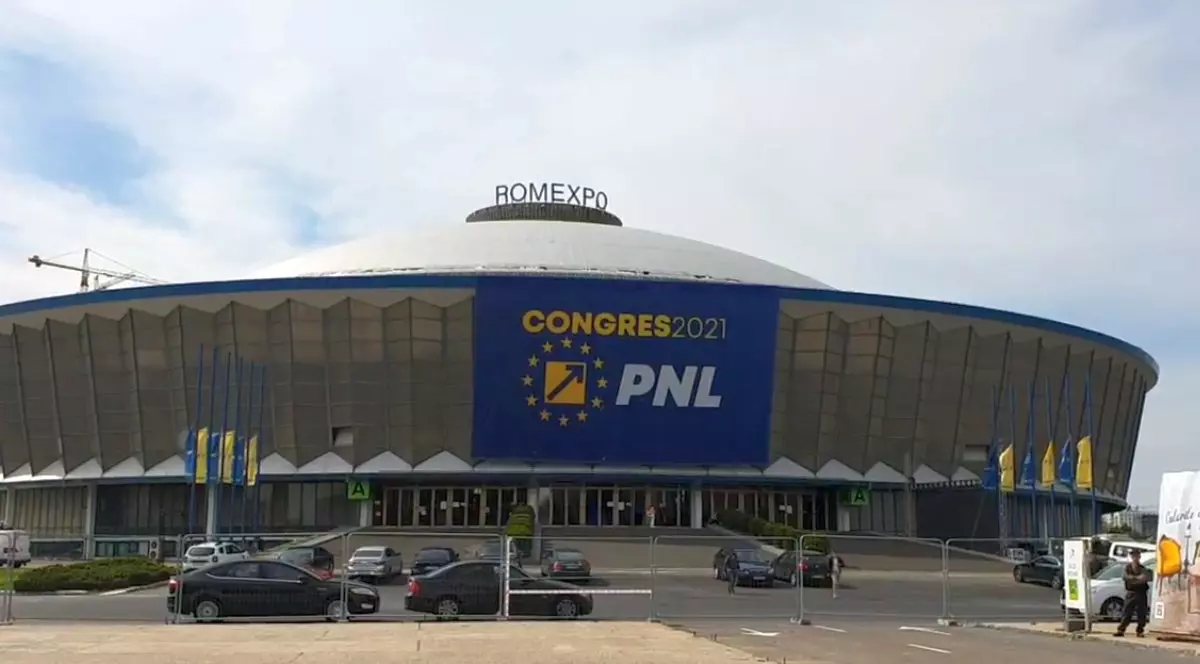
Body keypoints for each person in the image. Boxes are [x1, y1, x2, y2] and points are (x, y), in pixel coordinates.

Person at [1115, 549, 1150, 638]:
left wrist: (1133, 579)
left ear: (1139, 557)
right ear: (1131, 557)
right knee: (1127, 612)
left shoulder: (1142, 568)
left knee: (1141, 613)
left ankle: (1140, 631)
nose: (1135, 558)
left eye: (1136, 556)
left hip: (1141, 593)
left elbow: (1144, 578)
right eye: (1133, 556)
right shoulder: (1127, 568)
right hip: (1131, 593)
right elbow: (1125, 577)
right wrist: (1136, 578)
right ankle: (1121, 630)